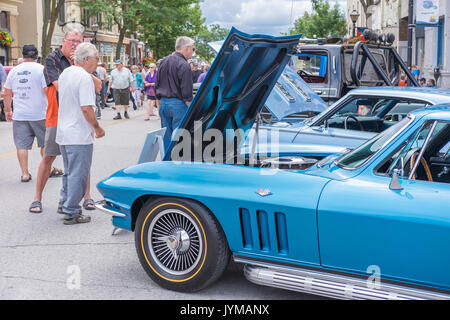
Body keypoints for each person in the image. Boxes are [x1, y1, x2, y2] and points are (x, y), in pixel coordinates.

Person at [29, 29, 100, 214]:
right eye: (72, 40)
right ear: (64, 41)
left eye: (78, 41)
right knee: (51, 157)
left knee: (78, 164)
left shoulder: (79, 68)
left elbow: (98, 85)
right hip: (57, 116)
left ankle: (84, 197)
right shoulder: (53, 58)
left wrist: (78, 67)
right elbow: (60, 87)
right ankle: (38, 198)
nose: (75, 44)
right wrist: (79, 69)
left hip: (74, 120)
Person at [56, 42, 105, 225]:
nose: (97, 62)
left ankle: (64, 202)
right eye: (96, 58)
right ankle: (72, 211)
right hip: (78, 132)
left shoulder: (66, 73)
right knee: (79, 173)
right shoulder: (84, 77)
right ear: (86, 59)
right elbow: (86, 108)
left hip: (64, 131)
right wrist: (97, 127)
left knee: (69, 172)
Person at [3, 44, 48, 183]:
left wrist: (7, 110)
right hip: (40, 113)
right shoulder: (42, 70)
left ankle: (24, 173)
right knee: (44, 143)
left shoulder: (14, 71)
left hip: (20, 114)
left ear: (23, 55)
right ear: (36, 56)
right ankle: (48, 169)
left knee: (21, 145)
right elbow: (47, 91)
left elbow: (7, 93)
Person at [156, 36, 195, 148]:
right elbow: (186, 93)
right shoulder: (184, 65)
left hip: (164, 104)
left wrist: (159, 107)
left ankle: (167, 162)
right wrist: (193, 110)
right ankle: (177, 162)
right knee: (179, 140)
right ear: (187, 48)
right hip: (178, 105)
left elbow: (157, 85)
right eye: (193, 49)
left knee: (166, 139)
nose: (192, 52)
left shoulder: (163, 62)